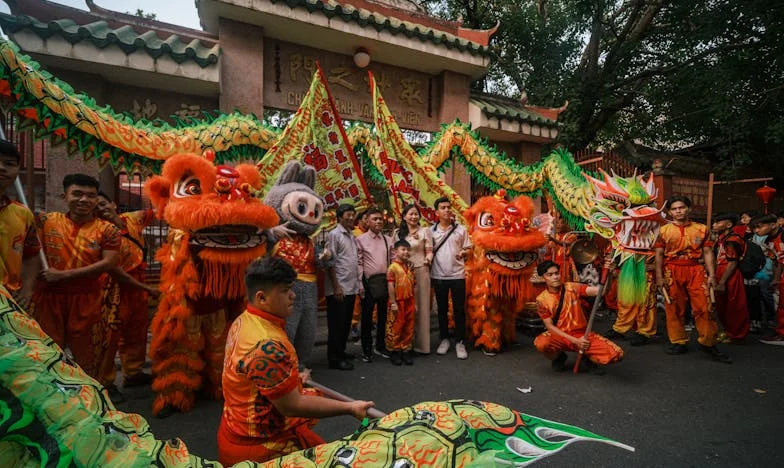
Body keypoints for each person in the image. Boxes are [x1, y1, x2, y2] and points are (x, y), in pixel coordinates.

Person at [218, 256, 374, 464]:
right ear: (262, 298)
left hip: (239, 427)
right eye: (285, 291)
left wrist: (292, 376)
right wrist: (349, 407)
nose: (293, 296)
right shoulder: (267, 346)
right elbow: (292, 405)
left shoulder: (245, 319)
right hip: (261, 447)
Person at [29, 174, 121, 378]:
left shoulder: (108, 230)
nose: (84, 200)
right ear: (64, 196)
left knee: (88, 357)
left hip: (87, 300)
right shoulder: (45, 221)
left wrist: (62, 275)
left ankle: (89, 400)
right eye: (77, 194)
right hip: (48, 298)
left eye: (91, 196)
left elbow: (108, 263)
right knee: (47, 354)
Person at [94, 192, 157, 399]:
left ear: (113, 203)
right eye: (97, 206)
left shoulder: (132, 218)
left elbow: (158, 212)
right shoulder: (97, 230)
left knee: (137, 329)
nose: (100, 208)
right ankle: (105, 381)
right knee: (110, 335)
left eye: (103, 203)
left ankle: (133, 372)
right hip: (113, 287)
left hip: (137, 285)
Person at [654, 196, 731, 363]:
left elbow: (708, 252)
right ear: (670, 212)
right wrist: (659, 277)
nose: (678, 211)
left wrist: (711, 275)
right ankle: (678, 341)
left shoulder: (702, 229)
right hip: (671, 270)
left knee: (705, 306)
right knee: (674, 306)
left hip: (696, 269)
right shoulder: (663, 231)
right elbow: (659, 254)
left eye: (681, 207)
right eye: (674, 209)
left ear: (688, 209)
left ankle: (708, 342)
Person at [533, 261, 623, 374]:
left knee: (616, 354)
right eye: (550, 275)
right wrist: (575, 341)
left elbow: (602, 291)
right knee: (541, 343)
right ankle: (558, 357)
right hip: (561, 336)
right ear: (543, 278)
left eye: (556, 273)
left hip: (583, 335)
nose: (555, 277)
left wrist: (609, 274)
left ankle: (587, 356)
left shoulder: (572, 287)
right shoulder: (541, 300)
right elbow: (549, 326)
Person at [0, 139, 41, 309]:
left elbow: (31, 254)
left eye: (9, 164)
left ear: (17, 171)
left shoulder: (23, 214)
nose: (2, 167)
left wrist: (27, 290)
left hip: (9, 302)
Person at [430, 197, 472, 360]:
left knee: (459, 310)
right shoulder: (431, 231)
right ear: (437, 212)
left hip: (457, 275)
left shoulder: (461, 229)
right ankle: (444, 339)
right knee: (441, 310)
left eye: (448, 207)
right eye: (443, 207)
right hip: (438, 275)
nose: (447, 210)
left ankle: (460, 342)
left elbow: (469, 249)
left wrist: (463, 253)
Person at [324, 204, 361, 370]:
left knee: (345, 323)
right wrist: (336, 286)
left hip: (350, 286)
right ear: (340, 217)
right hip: (338, 288)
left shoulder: (351, 236)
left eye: (353, 214)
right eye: (348, 214)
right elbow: (330, 262)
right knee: (336, 324)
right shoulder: (334, 235)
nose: (351, 217)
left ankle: (342, 351)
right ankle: (334, 357)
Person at [393, 204, 433, 354]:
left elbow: (429, 251)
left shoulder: (425, 231)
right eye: (411, 214)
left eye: (416, 214)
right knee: (405, 308)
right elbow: (394, 253)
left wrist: (427, 260)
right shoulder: (398, 233)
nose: (414, 217)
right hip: (403, 273)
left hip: (421, 270)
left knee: (422, 308)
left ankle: (422, 346)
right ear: (404, 216)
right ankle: (403, 344)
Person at [356, 207, 392, 363]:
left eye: (380, 219)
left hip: (384, 282)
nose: (378, 221)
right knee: (367, 318)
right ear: (367, 221)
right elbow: (358, 263)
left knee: (383, 316)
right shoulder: (360, 240)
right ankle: (367, 349)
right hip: (368, 283)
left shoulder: (388, 239)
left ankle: (381, 345)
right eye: (374, 219)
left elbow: (392, 261)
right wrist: (360, 284)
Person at [711, 213, 749, 343]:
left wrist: (722, 282)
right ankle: (728, 331)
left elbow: (733, 262)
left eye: (718, 222)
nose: (714, 225)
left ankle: (737, 335)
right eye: (714, 223)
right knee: (722, 305)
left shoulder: (733, 239)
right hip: (720, 271)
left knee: (734, 305)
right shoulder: (721, 238)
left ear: (728, 225)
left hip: (730, 274)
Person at [386, 239, 416, 366]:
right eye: (403, 249)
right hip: (398, 302)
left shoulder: (410, 266)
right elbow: (390, 286)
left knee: (408, 326)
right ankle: (395, 351)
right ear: (396, 251)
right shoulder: (392, 267)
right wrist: (393, 302)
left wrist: (416, 303)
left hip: (409, 301)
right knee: (396, 326)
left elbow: (414, 285)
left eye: (408, 250)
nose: (406, 252)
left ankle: (405, 349)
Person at [760, 213, 784, 345]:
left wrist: (776, 278)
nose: (757, 231)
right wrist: (776, 278)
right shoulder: (768, 240)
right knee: (781, 304)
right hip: (781, 274)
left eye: (760, 227)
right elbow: (776, 260)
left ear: (773, 225)